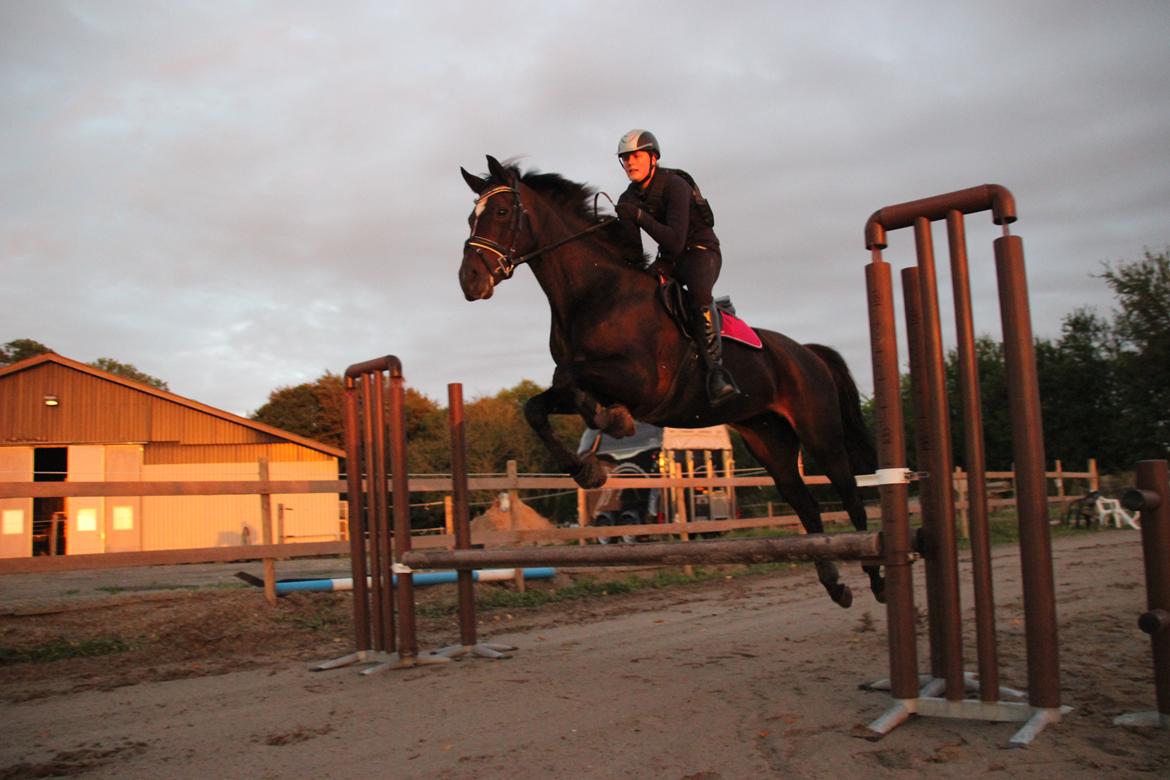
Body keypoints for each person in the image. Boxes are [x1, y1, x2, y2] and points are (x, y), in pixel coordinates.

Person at [613, 129, 740, 406]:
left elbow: (675, 239)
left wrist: (638, 216)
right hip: (669, 259)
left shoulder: (675, 185)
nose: (630, 163)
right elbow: (634, 253)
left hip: (701, 251)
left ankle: (717, 374)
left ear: (653, 158)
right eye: (625, 158)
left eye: (636, 156)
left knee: (697, 291)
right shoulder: (627, 199)